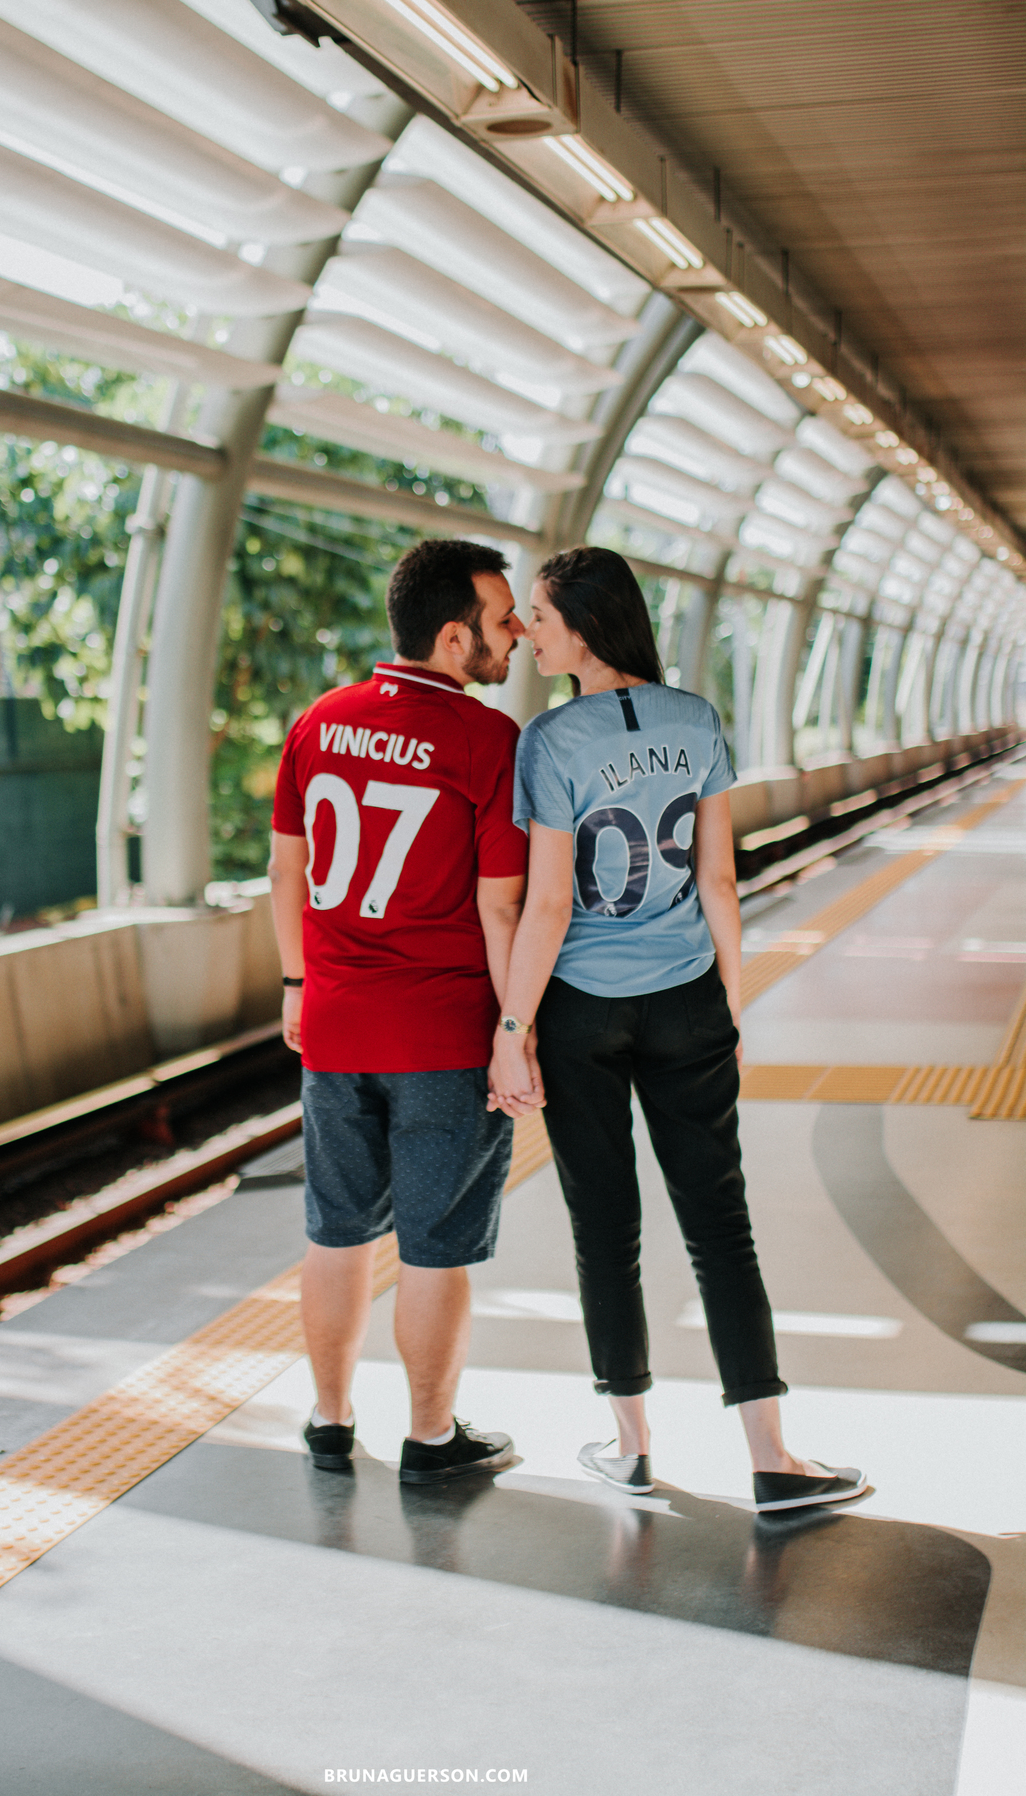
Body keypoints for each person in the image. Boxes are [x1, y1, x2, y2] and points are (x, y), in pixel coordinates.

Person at [487, 546, 866, 1515]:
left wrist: (513, 1025)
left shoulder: (550, 739)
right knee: (720, 1228)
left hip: (580, 1009)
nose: (528, 630)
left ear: (585, 626)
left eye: (539, 614)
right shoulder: (695, 720)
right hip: (688, 993)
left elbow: (547, 907)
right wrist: (728, 1004)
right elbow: (719, 881)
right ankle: (773, 1457)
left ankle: (631, 1446)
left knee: (604, 1228)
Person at [269, 537, 532, 1486]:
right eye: (503, 623)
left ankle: (330, 1420)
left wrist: (298, 984)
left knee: (334, 1230)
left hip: (335, 1027)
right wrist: (515, 1031)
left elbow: (287, 871)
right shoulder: (486, 741)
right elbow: (502, 904)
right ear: (454, 636)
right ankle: (430, 1438)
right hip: (441, 1035)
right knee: (433, 1245)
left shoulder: (319, 722)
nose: (518, 638)